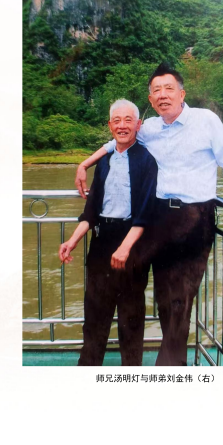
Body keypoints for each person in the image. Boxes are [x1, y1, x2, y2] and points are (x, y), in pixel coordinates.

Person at [76, 63, 223, 366]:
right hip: (157, 219)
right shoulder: (149, 128)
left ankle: (170, 370)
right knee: (161, 297)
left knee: (179, 302)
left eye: (169, 88)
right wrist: (85, 164)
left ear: (182, 94)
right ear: (150, 99)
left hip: (193, 219)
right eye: (156, 90)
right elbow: (119, 139)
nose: (162, 95)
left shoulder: (206, 121)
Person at [59, 99, 158, 366]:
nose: (122, 126)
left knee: (131, 319)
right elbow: (91, 211)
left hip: (132, 245)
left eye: (128, 120)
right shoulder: (104, 161)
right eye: (117, 121)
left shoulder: (147, 161)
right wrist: (72, 240)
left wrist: (125, 248)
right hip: (101, 243)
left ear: (138, 125)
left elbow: (146, 212)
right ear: (110, 125)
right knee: (94, 318)